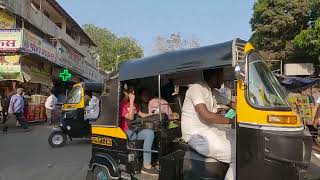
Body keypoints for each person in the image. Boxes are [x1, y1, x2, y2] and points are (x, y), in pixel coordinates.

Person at [181, 68, 235, 180]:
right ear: (213, 76)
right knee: (236, 155)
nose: (223, 80)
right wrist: (232, 121)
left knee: (239, 140)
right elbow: (206, 115)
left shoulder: (212, 91)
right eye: (221, 76)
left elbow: (232, 104)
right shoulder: (196, 88)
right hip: (196, 135)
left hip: (209, 130)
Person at [120, 85, 157, 175]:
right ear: (126, 93)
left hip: (135, 130)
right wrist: (131, 101)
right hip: (126, 132)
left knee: (149, 133)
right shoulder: (122, 105)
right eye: (131, 92)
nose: (133, 94)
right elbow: (131, 117)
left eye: (134, 92)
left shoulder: (135, 105)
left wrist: (154, 115)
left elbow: (142, 114)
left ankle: (146, 164)